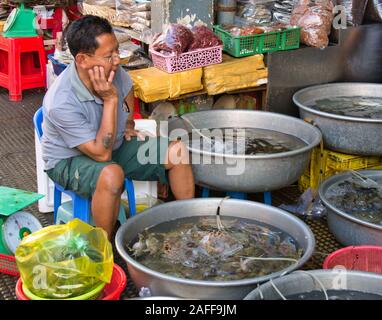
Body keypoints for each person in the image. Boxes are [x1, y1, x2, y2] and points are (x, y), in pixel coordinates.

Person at [41, 15, 195, 238]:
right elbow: (102, 155)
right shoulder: (60, 101)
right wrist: (111, 100)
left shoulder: (111, 71)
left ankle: (188, 229)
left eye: (116, 51)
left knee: (177, 152)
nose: (117, 60)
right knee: (112, 174)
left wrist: (129, 122)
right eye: (108, 55)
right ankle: (104, 247)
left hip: (112, 144)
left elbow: (128, 86)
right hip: (68, 160)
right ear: (82, 60)